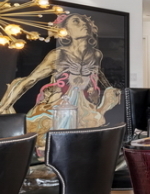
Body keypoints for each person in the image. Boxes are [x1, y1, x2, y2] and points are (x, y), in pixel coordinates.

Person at [0, 13, 121, 150]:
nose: (83, 24)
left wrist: (110, 88)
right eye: (76, 21)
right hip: (59, 106)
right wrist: (4, 106)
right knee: (53, 143)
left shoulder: (96, 54)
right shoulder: (58, 55)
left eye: (84, 21)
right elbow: (30, 80)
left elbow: (98, 73)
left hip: (84, 105)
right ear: (66, 31)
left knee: (84, 143)